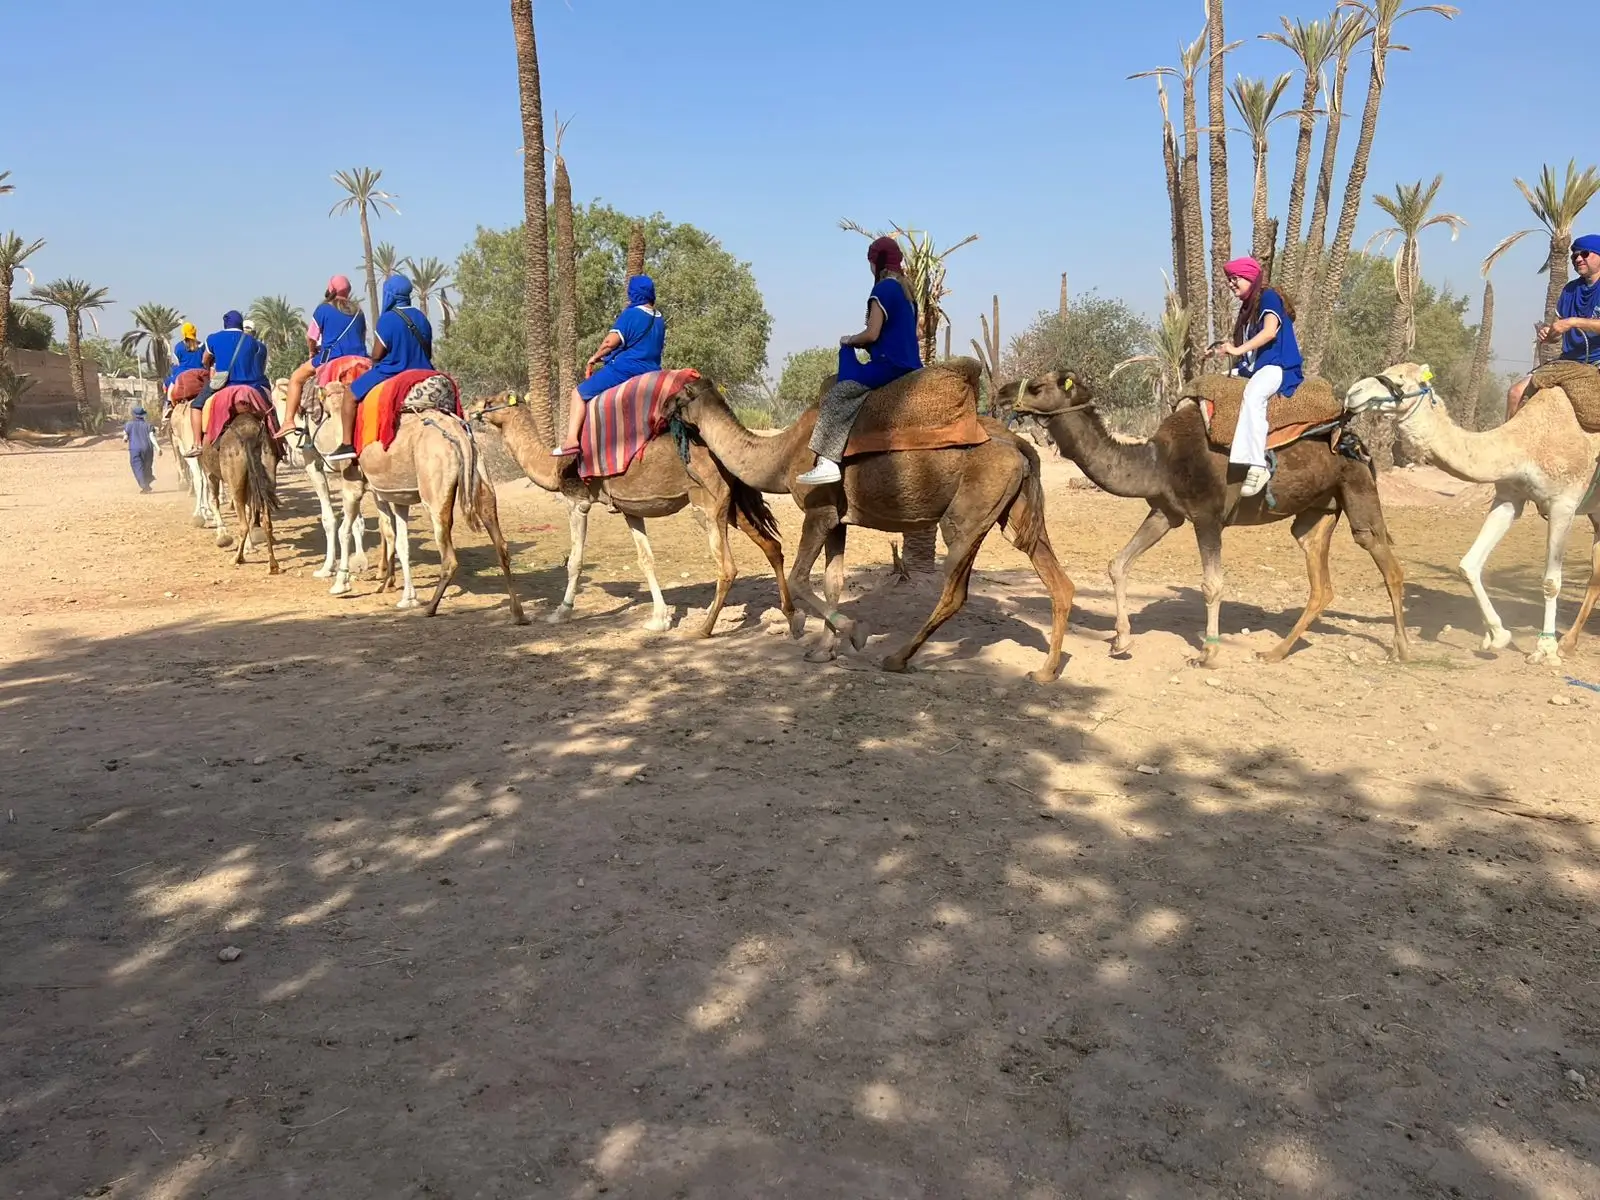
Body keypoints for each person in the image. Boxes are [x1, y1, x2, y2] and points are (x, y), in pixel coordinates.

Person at [796, 236, 923, 485]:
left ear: (877, 262)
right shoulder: (909, 293)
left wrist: (850, 339)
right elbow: (913, 334)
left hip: (890, 367)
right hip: (911, 365)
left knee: (838, 394)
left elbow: (872, 333)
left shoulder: (883, 289)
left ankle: (828, 461)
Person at [1205, 255, 1303, 499]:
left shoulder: (1268, 297)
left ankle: (1258, 465)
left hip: (1276, 366)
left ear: (1250, 277)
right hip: (1257, 367)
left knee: (1254, 393)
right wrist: (1223, 351)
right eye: (1229, 280)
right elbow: (1250, 348)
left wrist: (1237, 350)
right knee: (1213, 384)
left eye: (1234, 278)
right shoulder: (1248, 309)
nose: (1230, 284)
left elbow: (1270, 332)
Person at [553, 274, 667, 457]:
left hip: (627, 370)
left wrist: (595, 357)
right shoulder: (659, 319)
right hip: (653, 371)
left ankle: (571, 440)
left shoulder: (632, 314)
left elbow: (610, 342)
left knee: (579, 393)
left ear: (633, 293)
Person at [327, 275, 434, 463]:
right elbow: (428, 351)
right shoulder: (422, 317)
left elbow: (377, 355)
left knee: (350, 394)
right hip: (426, 370)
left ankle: (346, 444)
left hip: (393, 370)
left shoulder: (388, 319)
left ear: (390, 294)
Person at [1506, 234, 1600, 418]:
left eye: (1585, 254)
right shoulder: (1569, 290)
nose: (1578, 258)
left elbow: (1569, 323)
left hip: (1597, 360)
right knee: (1515, 393)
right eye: (1574, 256)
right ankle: (1506, 444)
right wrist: (1549, 333)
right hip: (1569, 361)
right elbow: (1557, 331)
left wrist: (1573, 322)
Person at [282, 275, 368, 434]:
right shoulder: (359, 312)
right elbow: (362, 337)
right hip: (361, 359)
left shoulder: (323, 309)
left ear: (331, 289)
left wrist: (312, 351)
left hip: (332, 357)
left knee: (296, 378)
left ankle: (288, 421)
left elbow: (311, 337)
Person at [184, 311, 270, 455]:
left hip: (225, 384)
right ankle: (277, 441)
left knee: (196, 405)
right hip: (252, 386)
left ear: (225, 324)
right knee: (270, 408)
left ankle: (197, 444)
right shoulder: (255, 343)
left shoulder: (213, 339)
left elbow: (205, 359)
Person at [165, 321, 206, 401]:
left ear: (183, 334)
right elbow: (205, 361)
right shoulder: (202, 346)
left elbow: (178, 363)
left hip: (182, 372)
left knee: (171, 389)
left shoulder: (179, 347)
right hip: (200, 373)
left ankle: (169, 405)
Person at [123, 404, 158, 493]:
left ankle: (144, 486)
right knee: (147, 466)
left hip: (135, 449)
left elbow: (125, 436)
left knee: (137, 467)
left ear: (133, 415)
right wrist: (158, 448)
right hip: (148, 449)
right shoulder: (148, 425)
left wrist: (125, 439)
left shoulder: (129, 425)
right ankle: (148, 480)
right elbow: (151, 436)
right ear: (143, 415)